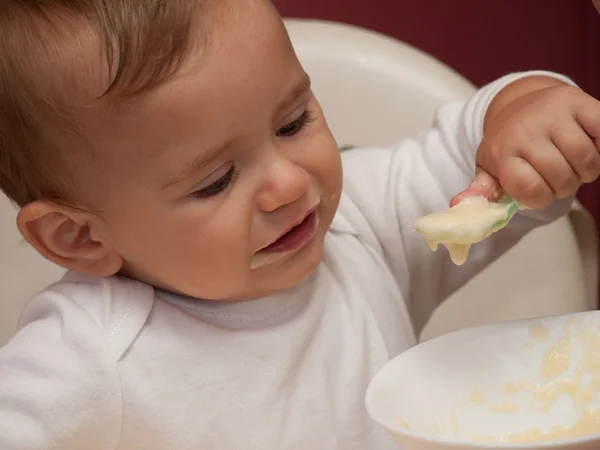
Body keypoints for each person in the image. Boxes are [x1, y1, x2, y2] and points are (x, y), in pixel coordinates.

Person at [1, 0, 600, 448]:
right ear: (80, 237)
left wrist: (527, 112)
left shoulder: (358, 223)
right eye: (215, 181)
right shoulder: (87, 356)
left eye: (292, 122)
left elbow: (480, 156)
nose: (290, 184)